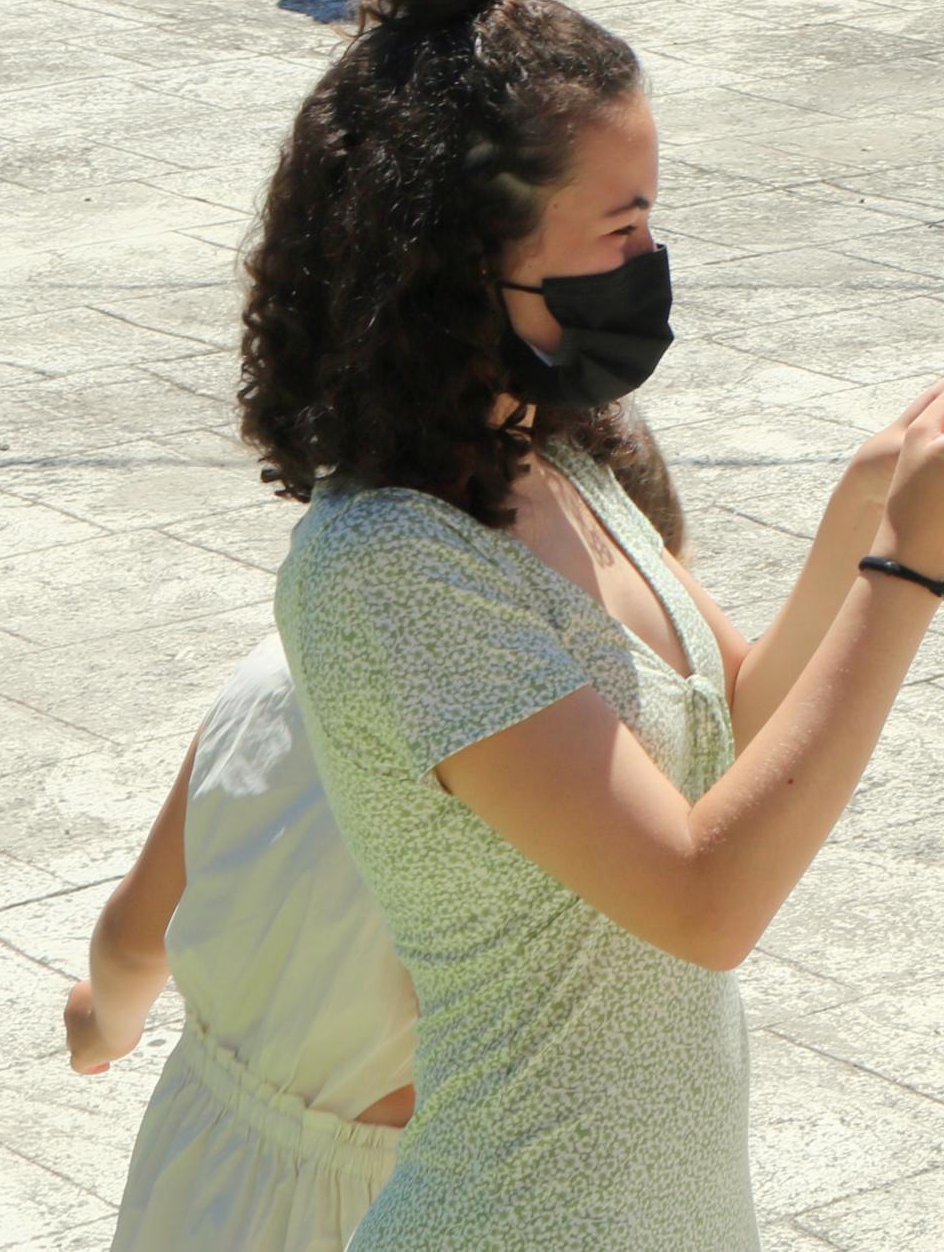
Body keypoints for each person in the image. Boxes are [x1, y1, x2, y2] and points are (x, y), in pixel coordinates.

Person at [255, 0, 944, 1246]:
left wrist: (870, 493)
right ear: (464, 255)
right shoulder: (388, 567)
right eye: (620, 226)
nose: (651, 264)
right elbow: (701, 894)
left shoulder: (549, 451)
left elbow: (734, 724)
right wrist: (912, 564)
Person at [62, 406, 689, 1243]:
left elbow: (137, 934)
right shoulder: (551, 793)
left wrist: (101, 1022)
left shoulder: (282, 664)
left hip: (202, 1158)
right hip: (385, 1200)